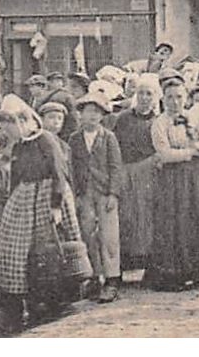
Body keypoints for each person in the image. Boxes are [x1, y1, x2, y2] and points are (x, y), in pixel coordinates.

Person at [0, 95, 84, 323]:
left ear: (23, 122)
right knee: (17, 248)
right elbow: (15, 176)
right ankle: (23, 302)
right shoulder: (20, 145)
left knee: (49, 250)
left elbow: (59, 173)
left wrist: (56, 205)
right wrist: (11, 203)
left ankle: (54, 300)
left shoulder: (45, 140)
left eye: (11, 127)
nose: (10, 134)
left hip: (48, 195)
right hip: (25, 198)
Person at [146, 69, 199, 291]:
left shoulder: (195, 118)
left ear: (186, 97)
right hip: (173, 178)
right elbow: (164, 153)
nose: (175, 101)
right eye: (170, 97)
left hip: (197, 176)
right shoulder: (160, 123)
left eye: (179, 96)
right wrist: (191, 152)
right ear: (163, 98)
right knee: (176, 222)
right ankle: (175, 273)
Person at [70, 94, 123, 303]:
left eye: (96, 112)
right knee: (88, 234)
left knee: (109, 236)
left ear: (102, 116)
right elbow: (71, 168)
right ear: (80, 115)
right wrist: (75, 194)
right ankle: (93, 277)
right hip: (85, 193)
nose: (91, 116)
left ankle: (112, 279)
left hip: (104, 192)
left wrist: (113, 193)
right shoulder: (75, 139)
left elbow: (116, 167)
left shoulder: (108, 137)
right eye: (87, 112)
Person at [112, 74, 161, 274]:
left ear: (156, 97)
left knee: (148, 216)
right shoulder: (123, 119)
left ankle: (148, 261)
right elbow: (115, 146)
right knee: (127, 216)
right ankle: (127, 261)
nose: (144, 97)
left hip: (149, 173)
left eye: (149, 94)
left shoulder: (158, 121)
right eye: (141, 93)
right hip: (126, 172)